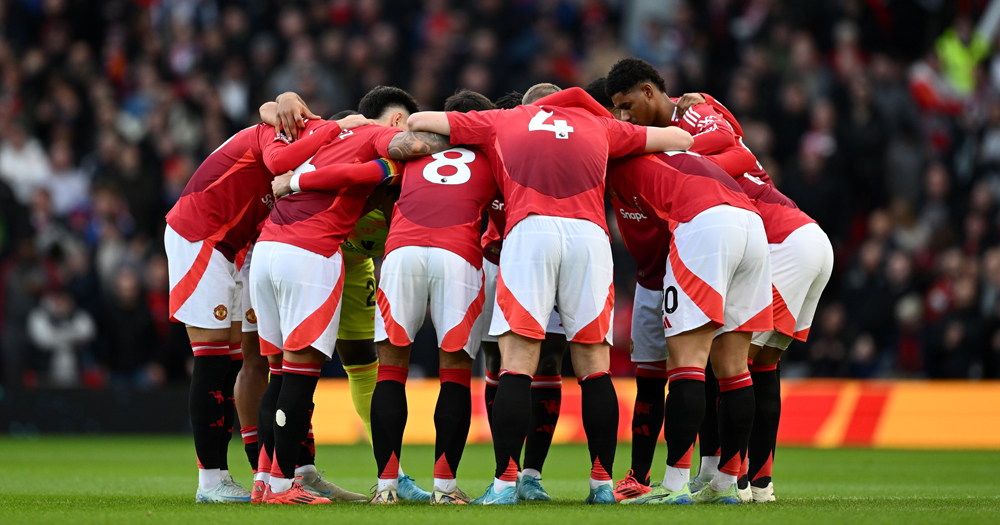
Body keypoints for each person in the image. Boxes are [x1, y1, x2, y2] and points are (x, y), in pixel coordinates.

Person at [407, 83, 693, 505]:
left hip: (530, 231)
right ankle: (600, 485)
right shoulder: (600, 124)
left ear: (531, 105)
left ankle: (506, 483)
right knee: (594, 365)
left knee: (517, 362)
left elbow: (418, 122)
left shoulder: (504, 119)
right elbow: (682, 138)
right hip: (590, 237)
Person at [164, 92, 372, 503]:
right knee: (212, 360)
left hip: (243, 247)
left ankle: (282, 470)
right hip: (202, 235)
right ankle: (212, 480)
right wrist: (331, 125)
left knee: (253, 359)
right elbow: (277, 152)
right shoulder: (277, 132)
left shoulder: (303, 143)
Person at [252, 86, 453, 505]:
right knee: (297, 372)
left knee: (346, 363)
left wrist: (284, 104)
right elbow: (275, 112)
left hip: (288, 248)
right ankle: (285, 481)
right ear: (395, 123)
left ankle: (277, 477)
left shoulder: (334, 136)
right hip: (314, 254)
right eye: (405, 121)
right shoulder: (379, 149)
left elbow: (273, 111)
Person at [605, 150, 771, 505]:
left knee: (686, 362)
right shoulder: (678, 152)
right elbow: (738, 148)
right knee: (734, 367)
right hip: (751, 225)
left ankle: (675, 484)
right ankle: (727, 487)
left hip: (703, 225)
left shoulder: (617, 156)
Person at [478, 90, 568, 503]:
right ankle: (506, 472)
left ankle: (530, 475)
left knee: (550, 357)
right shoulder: (489, 153)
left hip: (551, 257)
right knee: (499, 360)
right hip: (495, 264)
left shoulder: (561, 151)